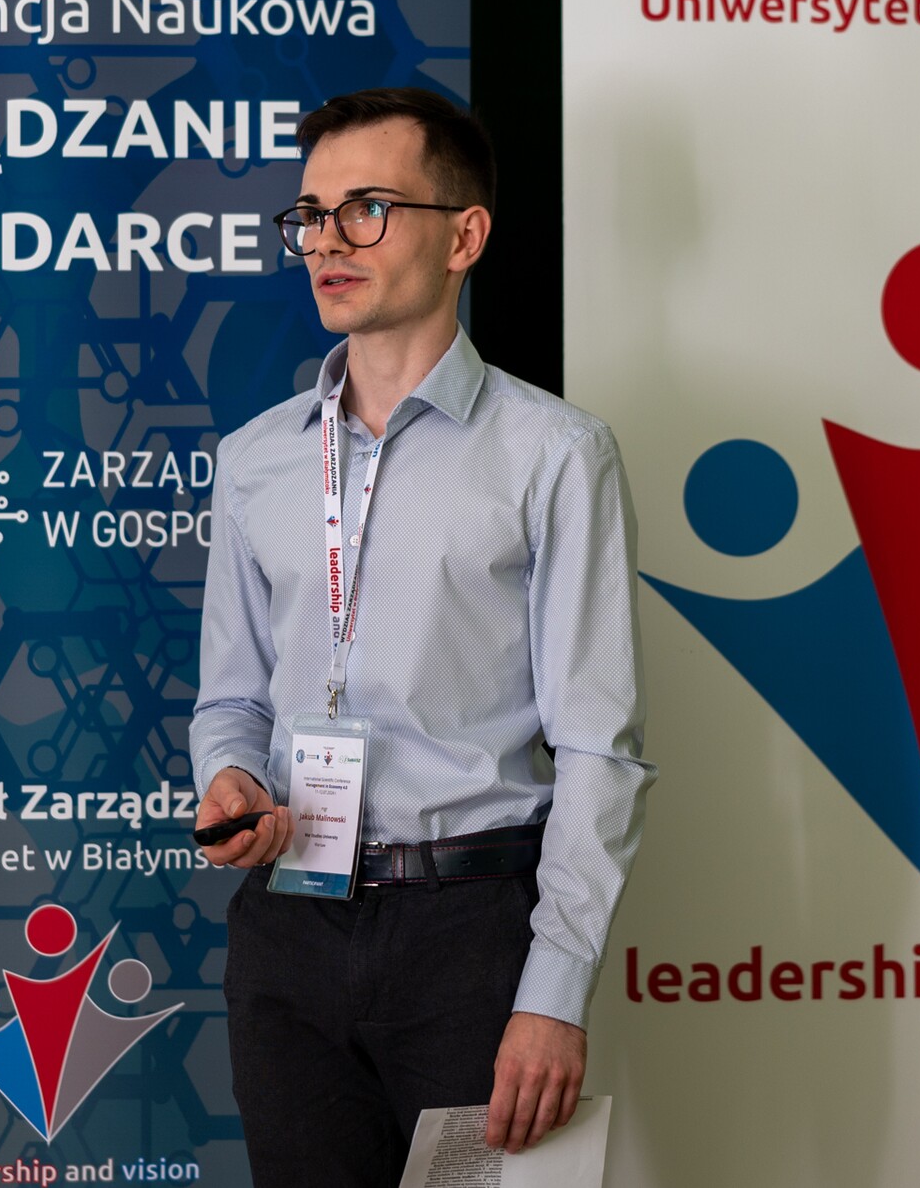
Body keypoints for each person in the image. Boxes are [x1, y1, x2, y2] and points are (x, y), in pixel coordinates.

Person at [190, 86, 652, 1187]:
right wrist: (229, 779)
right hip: (288, 925)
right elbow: (231, 700)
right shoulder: (255, 458)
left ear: (465, 236)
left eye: (367, 209)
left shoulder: (556, 454)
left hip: (471, 934)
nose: (326, 242)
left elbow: (600, 745)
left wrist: (553, 991)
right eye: (311, 214)